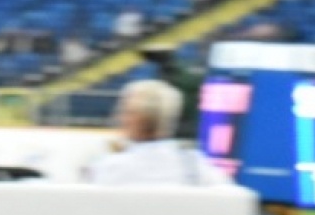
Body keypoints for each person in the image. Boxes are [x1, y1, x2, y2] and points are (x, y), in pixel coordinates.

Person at [85, 79, 234, 188]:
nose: (119, 118)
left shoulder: (110, 167)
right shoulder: (196, 166)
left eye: (124, 113)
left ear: (134, 119)